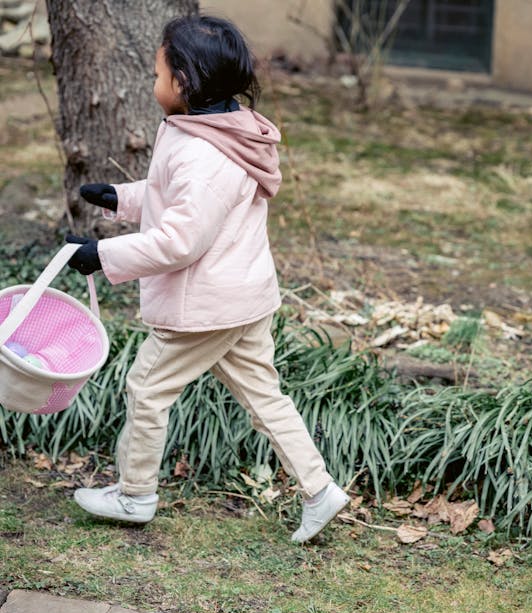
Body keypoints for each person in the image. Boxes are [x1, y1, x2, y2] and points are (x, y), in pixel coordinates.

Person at [64, 14, 348, 543]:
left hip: (208, 305)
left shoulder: (204, 153)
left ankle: (134, 494)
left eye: (157, 75)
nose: (153, 86)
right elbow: (177, 199)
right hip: (242, 296)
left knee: (147, 388)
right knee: (265, 398)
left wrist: (103, 254)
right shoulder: (214, 130)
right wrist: (123, 199)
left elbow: (180, 240)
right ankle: (320, 489)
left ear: (185, 83)